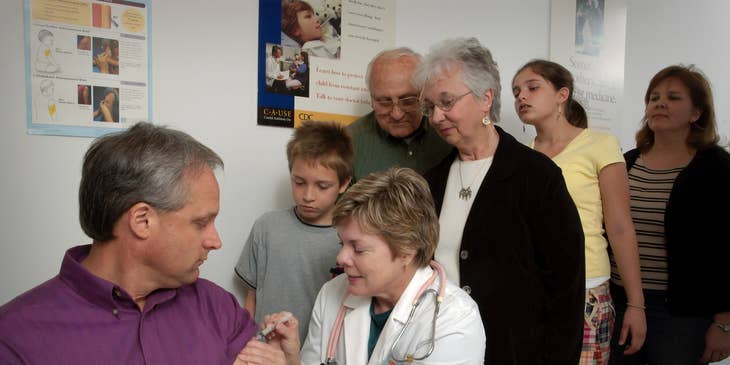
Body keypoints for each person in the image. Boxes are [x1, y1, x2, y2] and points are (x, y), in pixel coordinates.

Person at [0, 122, 294, 365]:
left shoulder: (218, 308)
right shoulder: (14, 338)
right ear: (142, 220)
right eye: (201, 222)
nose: (215, 241)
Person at [415, 37, 585, 365]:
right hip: (441, 350)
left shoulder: (536, 176)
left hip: (516, 353)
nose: (436, 117)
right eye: (430, 107)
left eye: (447, 102)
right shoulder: (430, 181)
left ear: (485, 98)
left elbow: (566, 287)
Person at [512, 59, 646, 364]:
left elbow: (620, 227)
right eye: (516, 91)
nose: (521, 96)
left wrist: (636, 306)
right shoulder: (520, 155)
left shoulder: (599, 144)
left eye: (532, 87)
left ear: (562, 94)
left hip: (585, 288)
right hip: (532, 289)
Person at [298, 167, 485, 364]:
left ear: (407, 250)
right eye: (341, 243)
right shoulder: (332, 293)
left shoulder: (455, 318)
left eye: (358, 249)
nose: (341, 258)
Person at [608, 65, 730, 365]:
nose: (660, 103)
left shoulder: (716, 168)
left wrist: (724, 322)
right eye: (654, 97)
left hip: (681, 314)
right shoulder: (627, 162)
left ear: (696, 113)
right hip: (620, 301)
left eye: (673, 98)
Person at [235, 121, 353, 344]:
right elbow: (251, 298)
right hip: (267, 351)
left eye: (322, 186)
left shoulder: (349, 240)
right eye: (299, 182)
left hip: (322, 353)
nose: (308, 195)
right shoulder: (267, 227)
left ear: (344, 183)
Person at [347, 47, 451, 181]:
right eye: (384, 102)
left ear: (425, 94)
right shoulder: (348, 143)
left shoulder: (449, 132)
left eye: (408, 101)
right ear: (372, 100)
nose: (397, 115)